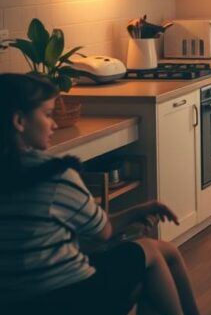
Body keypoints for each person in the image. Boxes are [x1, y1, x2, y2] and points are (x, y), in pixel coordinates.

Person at [0, 73, 199, 315]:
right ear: (19, 121)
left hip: (14, 300)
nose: (53, 124)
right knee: (156, 253)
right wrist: (138, 211)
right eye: (47, 114)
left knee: (158, 255)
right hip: (67, 295)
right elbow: (103, 232)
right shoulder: (54, 176)